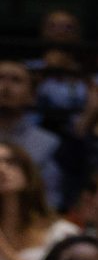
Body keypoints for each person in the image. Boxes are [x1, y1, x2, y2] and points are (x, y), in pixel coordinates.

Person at [0, 138, 78, 260]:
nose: (1, 169)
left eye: (10, 162)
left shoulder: (61, 233)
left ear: (28, 172)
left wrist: (5, 252)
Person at [0, 60, 65, 204]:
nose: (6, 86)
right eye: (1, 78)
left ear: (32, 96)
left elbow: (51, 198)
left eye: (16, 80)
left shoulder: (48, 143)